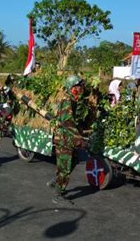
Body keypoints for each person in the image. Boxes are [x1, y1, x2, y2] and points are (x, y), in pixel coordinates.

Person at [51, 75, 85, 205]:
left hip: (68, 137)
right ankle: (58, 194)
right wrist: (79, 138)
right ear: (71, 88)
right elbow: (67, 122)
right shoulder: (67, 100)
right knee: (65, 166)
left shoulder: (72, 99)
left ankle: (57, 181)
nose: (80, 89)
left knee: (74, 160)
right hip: (64, 138)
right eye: (78, 87)